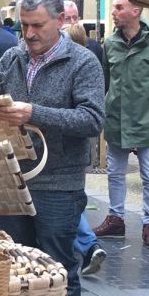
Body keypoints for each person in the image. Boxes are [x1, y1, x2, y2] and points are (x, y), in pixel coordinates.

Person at [0, 0, 105, 296]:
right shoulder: (13, 57)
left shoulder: (83, 62)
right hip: (12, 180)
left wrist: (34, 114)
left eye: (37, 26)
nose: (29, 34)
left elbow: (92, 120)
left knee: (58, 270)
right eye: (24, 25)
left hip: (59, 184)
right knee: (19, 270)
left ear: (60, 21)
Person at [94, 0, 149, 251]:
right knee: (115, 172)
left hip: (147, 118)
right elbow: (106, 78)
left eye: (119, 8)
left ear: (135, 11)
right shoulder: (111, 43)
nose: (113, 12)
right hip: (117, 117)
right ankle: (116, 219)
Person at [65, 21, 105, 277]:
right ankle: (88, 245)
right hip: (78, 152)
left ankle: (88, 245)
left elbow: (91, 116)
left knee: (67, 206)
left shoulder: (82, 66)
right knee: (73, 201)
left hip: (65, 154)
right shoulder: (93, 58)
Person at [63, 0, 104, 66]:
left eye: (75, 18)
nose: (72, 22)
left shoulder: (94, 47)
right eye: (67, 19)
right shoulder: (52, 47)